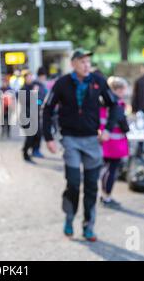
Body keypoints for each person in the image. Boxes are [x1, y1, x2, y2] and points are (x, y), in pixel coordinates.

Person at [43, 49, 117, 242]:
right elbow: (47, 108)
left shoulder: (98, 81)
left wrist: (108, 128)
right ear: (73, 64)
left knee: (92, 186)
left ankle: (88, 226)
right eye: (82, 62)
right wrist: (48, 137)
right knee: (74, 183)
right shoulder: (62, 83)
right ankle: (69, 219)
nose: (86, 65)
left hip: (93, 140)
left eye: (88, 62)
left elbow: (114, 105)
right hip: (70, 140)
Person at [99, 77, 130, 208]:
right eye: (123, 90)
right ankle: (108, 196)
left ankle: (104, 193)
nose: (124, 93)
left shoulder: (101, 103)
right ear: (116, 90)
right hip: (116, 141)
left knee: (106, 169)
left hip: (104, 141)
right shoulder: (118, 105)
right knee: (112, 170)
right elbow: (124, 125)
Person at [19, 70, 41, 163]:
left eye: (31, 76)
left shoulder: (33, 86)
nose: (30, 78)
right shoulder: (23, 89)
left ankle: (30, 150)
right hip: (26, 116)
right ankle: (25, 153)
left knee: (38, 135)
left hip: (35, 115)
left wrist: (40, 103)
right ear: (25, 78)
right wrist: (34, 93)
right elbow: (26, 102)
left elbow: (37, 101)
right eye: (28, 77)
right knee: (30, 136)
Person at [32, 67, 49, 158]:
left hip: (40, 111)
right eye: (44, 76)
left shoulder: (42, 84)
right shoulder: (36, 85)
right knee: (37, 132)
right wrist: (40, 103)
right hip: (36, 111)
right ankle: (35, 150)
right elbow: (34, 98)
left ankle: (36, 149)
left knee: (39, 131)